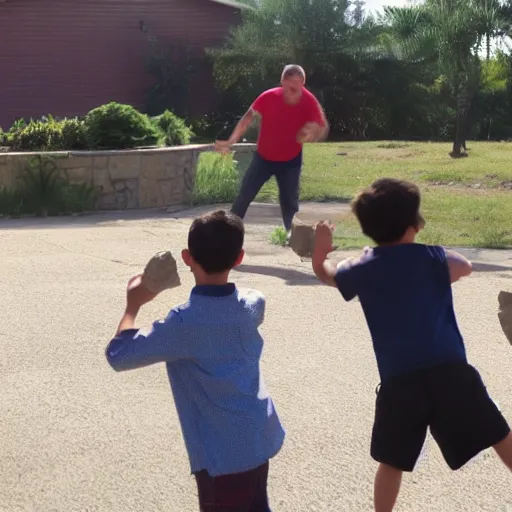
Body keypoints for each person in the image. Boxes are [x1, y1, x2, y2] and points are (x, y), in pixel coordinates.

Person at [311, 178, 512, 512]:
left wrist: (321, 251)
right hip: (451, 372)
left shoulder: (362, 267)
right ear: (413, 225)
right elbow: (465, 266)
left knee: (392, 460)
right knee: (498, 433)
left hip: (400, 382)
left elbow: (327, 272)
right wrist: (433, 255)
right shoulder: (431, 258)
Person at [105, 210, 285, 512]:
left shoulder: (185, 323)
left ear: (187, 257)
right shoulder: (252, 304)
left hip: (223, 456)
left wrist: (132, 305)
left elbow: (119, 355)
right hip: (259, 437)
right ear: (239, 257)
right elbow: (255, 298)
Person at [215, 64, 329, 238]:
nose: (295, 88)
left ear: (304, 83)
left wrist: (312, 134)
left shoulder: (309, 101)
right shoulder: (268, 97)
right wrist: (231, 140)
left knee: (289, 203)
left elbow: (322, 127)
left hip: (290, 161)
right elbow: (247, 118)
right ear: (282, 82)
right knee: (244, 195)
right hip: (263, 159)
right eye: (291, 84)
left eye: (300, 84)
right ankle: (227, 235)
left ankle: (294, 238)